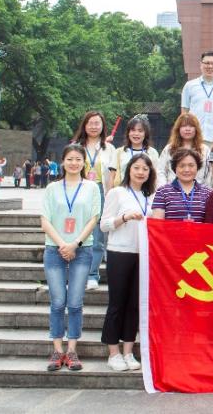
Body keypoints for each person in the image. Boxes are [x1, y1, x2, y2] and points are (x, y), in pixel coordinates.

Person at [39, 144, 99, 372]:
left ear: (84, 163)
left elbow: (93, 219)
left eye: (78, 159)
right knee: (57, 302)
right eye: (70, 159)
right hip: (54, 249)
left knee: (74, 302)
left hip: (82, 250)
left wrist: (75, 244)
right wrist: (63, 244)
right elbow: (45, 221)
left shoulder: (91, 187)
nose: (74, 163)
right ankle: (57, 350)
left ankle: (72, 350)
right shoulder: (52, 188)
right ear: (62, 162)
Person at [99, 153, 156, 372]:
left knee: (134, 304)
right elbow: (104, 225)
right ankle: (113, 352)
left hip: (143, 254)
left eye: (145, 169)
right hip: (120, 252)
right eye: (137, 168)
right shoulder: (117, 193)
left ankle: (128, 351)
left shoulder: (150, 196)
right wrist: (124, 218)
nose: (141, 172)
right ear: (128, 170)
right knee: (117, 303)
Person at [71, 110, 117, 291]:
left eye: (97, 123)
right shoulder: (76, 146)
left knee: (97, 236)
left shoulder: (109, 148)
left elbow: (112, 174)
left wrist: (110, 195)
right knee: (77, 231)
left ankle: (92, 274)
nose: (93, 126)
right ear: (84, 125)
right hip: (79, 190)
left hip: (100, 190)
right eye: (90, 123)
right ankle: (76, 272)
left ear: (103, 126)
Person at [181, 51, 213, 146]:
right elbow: (184, 112)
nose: (210, 66)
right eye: (207, 63)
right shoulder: (189, 86)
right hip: (194, 137)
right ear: (201, 64)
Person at [151, 148, 211, 222]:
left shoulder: (207, 193)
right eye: (182, 166)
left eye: (191, 165)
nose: (187, 170)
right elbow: (157, 224)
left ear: (197, 167)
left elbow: (211, 223)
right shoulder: (163, 192)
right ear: (175, 168)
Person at [157, 112, 211, 186]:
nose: (187, 129)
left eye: (191, 126)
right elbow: (160, 171)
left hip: (198, 190)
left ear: (196, 129)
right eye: (184, 126)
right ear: (178, 129)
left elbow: (209, 174)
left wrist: (204, 190)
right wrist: (165, 189)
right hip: (172, 190)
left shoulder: (205, 150)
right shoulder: (169, 149)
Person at [110, 115, 160, 191]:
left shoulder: (152, 152)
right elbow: (112, 176)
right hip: (123, 192)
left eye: (140, 131)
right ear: (128, 133)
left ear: (145, 133)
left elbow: (156, 177)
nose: (136, 134)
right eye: (133, 130)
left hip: (146, 193)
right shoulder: (119, 152)